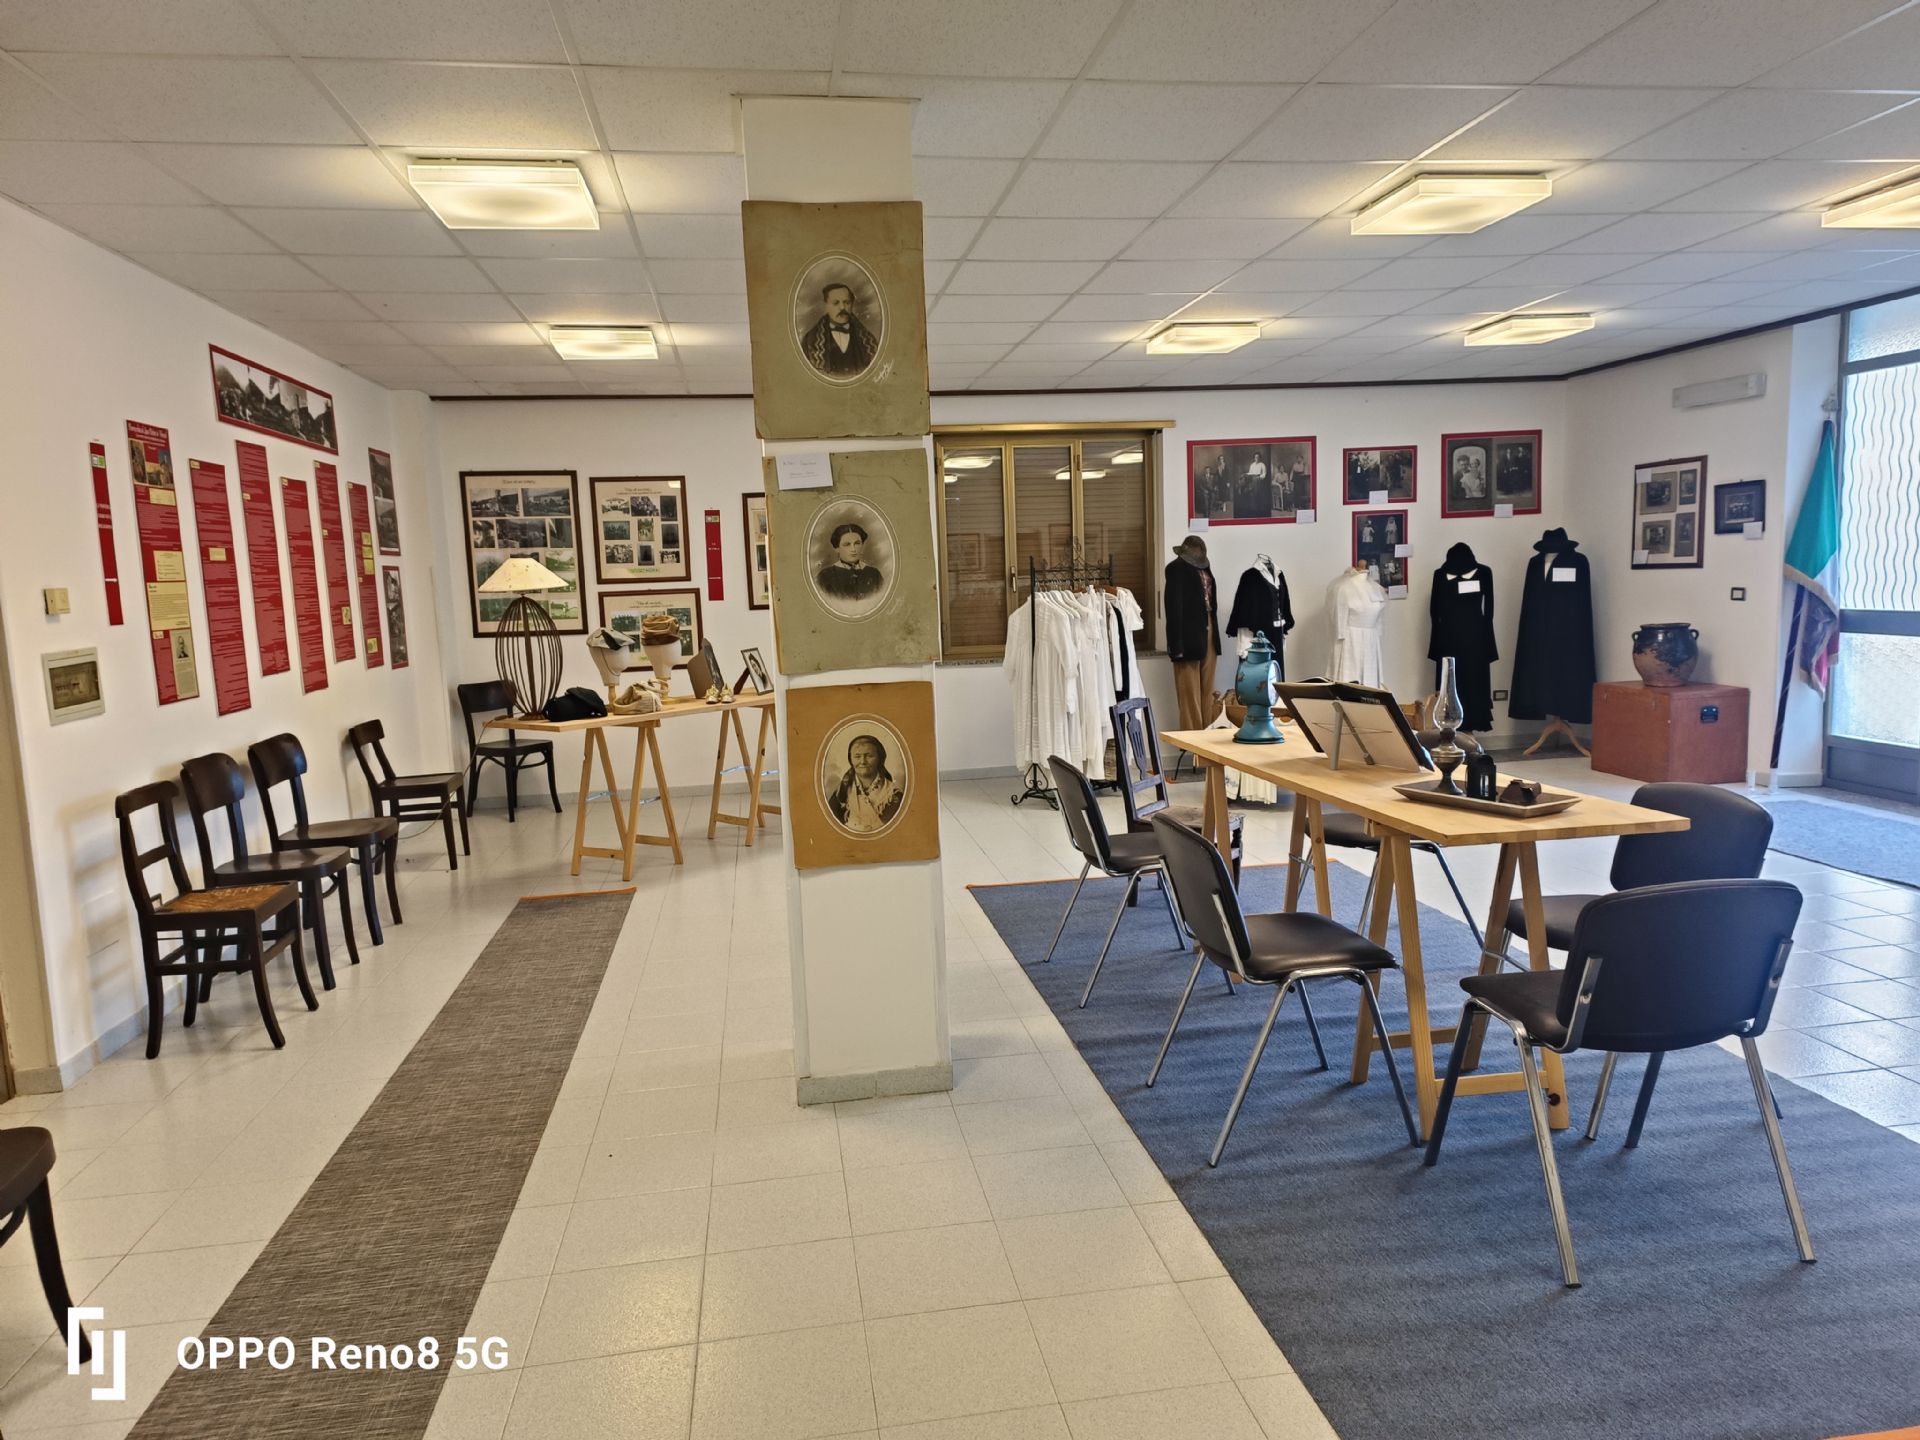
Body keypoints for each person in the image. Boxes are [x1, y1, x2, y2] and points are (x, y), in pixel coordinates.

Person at [800, 282, 880, 377]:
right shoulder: (810, 341)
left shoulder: (869, 342)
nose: (842, 307)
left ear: (852, 304)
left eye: (847, 302)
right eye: (836, 303)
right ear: (826, 306)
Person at [828, 734, 902, 832]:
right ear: (851, 760)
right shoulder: (840, 795)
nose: (863, 761)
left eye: (869, 756)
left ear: (879, 758)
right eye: (857, 756)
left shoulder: (893, 794)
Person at [816, 522, 884, 600]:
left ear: (862, 545)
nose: (853, 549)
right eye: (847, 544)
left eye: (857, 543)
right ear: (837, 548)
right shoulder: (825, 576)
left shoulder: (874, 574)